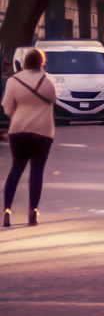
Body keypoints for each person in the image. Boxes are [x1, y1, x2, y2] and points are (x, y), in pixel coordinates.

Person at [2, 48, 56, 228]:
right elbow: (53, 101)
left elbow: (7, 107)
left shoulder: (13, 81)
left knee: (16, 167)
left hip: (18, 131)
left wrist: (19, 115)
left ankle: (7, 210)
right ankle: (32, 212)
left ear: (24, 62)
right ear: (41, 62)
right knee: (37, 171)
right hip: (43, 132)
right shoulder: (47, 82)